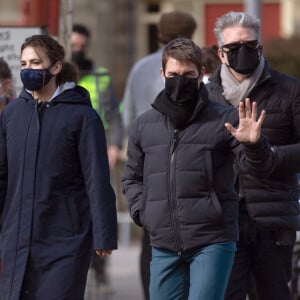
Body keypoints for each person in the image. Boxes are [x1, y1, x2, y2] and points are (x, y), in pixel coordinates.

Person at [122, 37, 275, 300]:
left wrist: (254, 145)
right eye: (173, 74)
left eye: (188, 74)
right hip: (163, 242)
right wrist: (144, 212)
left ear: (201, 74)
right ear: (162, 74)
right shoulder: (144, 124)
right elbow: (132, 177)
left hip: (212, 238)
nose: (179, 81)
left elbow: (257, 169)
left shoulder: (225, 120)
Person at [0, 34, 118, 299]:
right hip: (17, 237)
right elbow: (2, 176)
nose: (28, 70)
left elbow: (96, 179)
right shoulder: (12, 114)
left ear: (55, 67)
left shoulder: (82, 117)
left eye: (35, 62)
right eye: (24, 64)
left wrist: (104, 234)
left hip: (65, 239)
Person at [206, 11, 300, 300]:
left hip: (272, 220)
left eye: (250, 45)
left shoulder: (289, 89)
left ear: (260, 47)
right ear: (221, 54)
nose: (243, 53)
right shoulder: (205, 97)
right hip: (223, 220)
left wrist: (269, 154)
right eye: (234, 48)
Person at [122, 11, 197, 299]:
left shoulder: (141, 67)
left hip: (147, 159)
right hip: (183, 162)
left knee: (152, 239)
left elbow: (128, 112)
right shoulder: (187, 68)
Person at [71, 24, 123, 292]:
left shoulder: (100, 76)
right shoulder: (62, 77)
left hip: (98, 151)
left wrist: (114, 147)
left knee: (100, 210)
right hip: (71, 153)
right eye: (73, 45)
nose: (77, 50)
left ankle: (100, 273)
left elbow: (114, 115)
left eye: (81, 45)